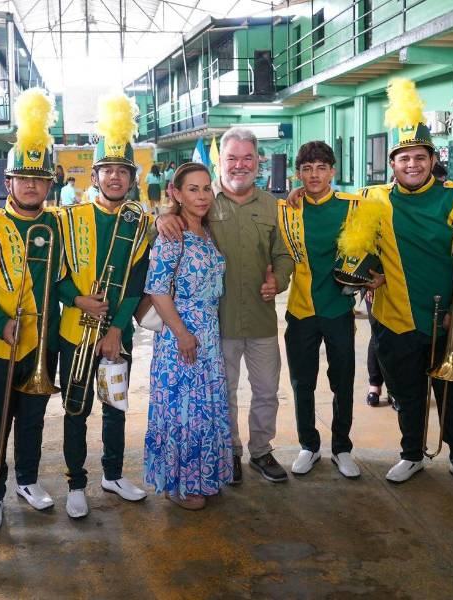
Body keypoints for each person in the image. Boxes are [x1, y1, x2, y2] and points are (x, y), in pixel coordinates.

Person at [339, 79, 453, 494]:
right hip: (395, 317)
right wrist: (368, 275)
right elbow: (357, 248)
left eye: (420, 157)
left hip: (448, 319)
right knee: (407, 394)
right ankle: (411, 454)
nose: (412, 164)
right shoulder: (372, 198)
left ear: (432, 160)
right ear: (392, 163)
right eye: (403, 158)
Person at [157, 127, 294, 484]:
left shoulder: (271, 205)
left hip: (261, 319)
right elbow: (170, 230)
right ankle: (229, 452)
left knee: (266, 391)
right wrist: (161, 217)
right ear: (221, 161)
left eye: (247, 157)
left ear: (258, 161)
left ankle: (261, 451)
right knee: (223, 394)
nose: (240, 165)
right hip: (219, 323)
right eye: (232, 157)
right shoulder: (205, 200)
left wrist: (279, 280)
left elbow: (283, 254)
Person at [0, 88, 63, 531]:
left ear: (49, 185)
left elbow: (63, 278)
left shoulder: (57, 224)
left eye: (39, 179)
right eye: (23, 178)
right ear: (9, 184)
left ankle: (27, 480)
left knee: (33, 419)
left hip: (41, 342)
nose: (31, 186)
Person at [58, 93, 151, 519]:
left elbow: (136, 282)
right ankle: (75, 483)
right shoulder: (67, 218)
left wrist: (115, 330)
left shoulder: (140, 223)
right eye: (107, 170)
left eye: (123, 171)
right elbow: (54, 276)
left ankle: (113, 474)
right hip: (74, 333)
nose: (115, 177)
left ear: (132, 177)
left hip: (117, 335)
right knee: (76, 410)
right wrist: (77, 299)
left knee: (115, 408)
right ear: (95, 176)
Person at [144, 162, 232, 509]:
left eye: (207, 188)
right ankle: (179, 485)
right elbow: (157, 290)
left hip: (208, 334)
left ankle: (204, 476)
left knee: (204, 409)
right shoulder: (172, 234)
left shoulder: (206, 232)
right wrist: (182, 334)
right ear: (176, 194)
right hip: (180, 337)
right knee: (183, 411)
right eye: (193, 189)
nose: (202, 196)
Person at [276, 141, 362, 478]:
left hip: (339, 308)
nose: (314, 175)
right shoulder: (287, 210)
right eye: (307, 169)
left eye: (321, 168)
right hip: (301, 310)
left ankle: (342, 447)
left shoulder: (354, 207)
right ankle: (309, 445)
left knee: (343, 381)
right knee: (302, 382)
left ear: (332, 172)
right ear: (298, 173)